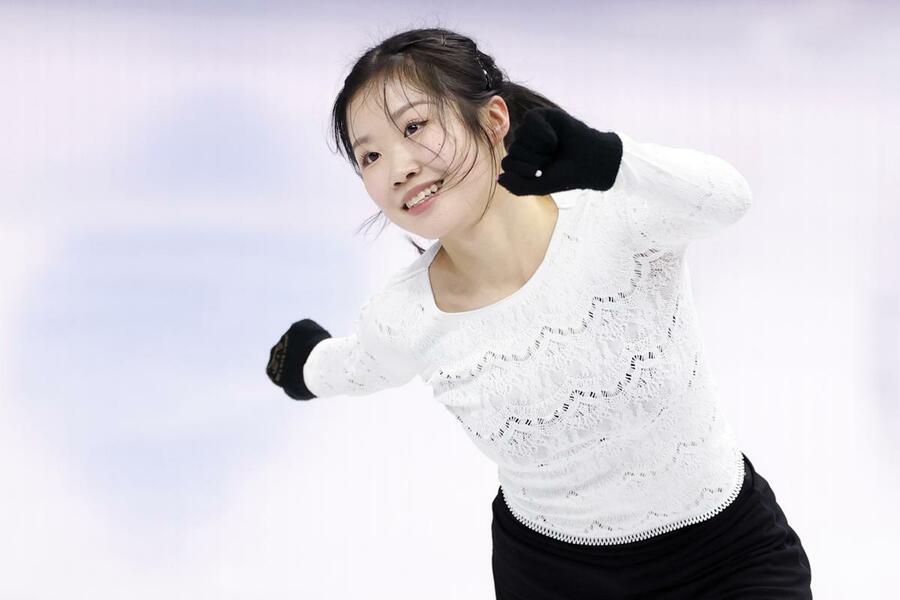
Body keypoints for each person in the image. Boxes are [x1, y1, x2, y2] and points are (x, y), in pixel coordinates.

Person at [266, 26, 813, 599]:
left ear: (493, 120)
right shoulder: (407, 314)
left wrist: (612, 159)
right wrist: (304, 363)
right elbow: (358, 364)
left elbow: (729, 198)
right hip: (551, 578)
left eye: (414, 126)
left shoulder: (614, 217)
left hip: (725, 559)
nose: (397, 167)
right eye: (370, 156)